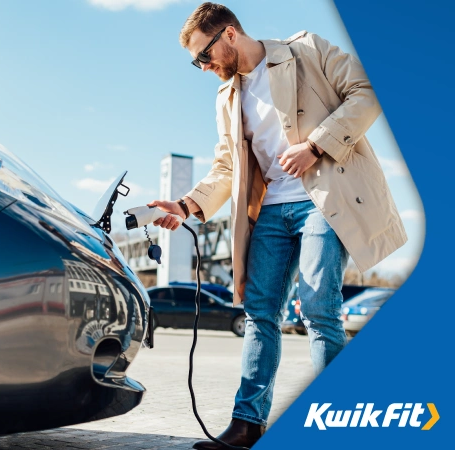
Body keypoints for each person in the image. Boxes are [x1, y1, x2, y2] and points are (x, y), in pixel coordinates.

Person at [148, 3, 407, 449]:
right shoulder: (227, 97)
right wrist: (188, 205)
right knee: (258, 314)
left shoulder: (305, 50)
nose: (204, 67)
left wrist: (316, 145)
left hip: (324, 200)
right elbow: (228, 166)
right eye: (197, 62)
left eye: (204, 56)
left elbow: (367, 91)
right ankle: (247, 424)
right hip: (269, 211)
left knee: (319, 307)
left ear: (229, 35)